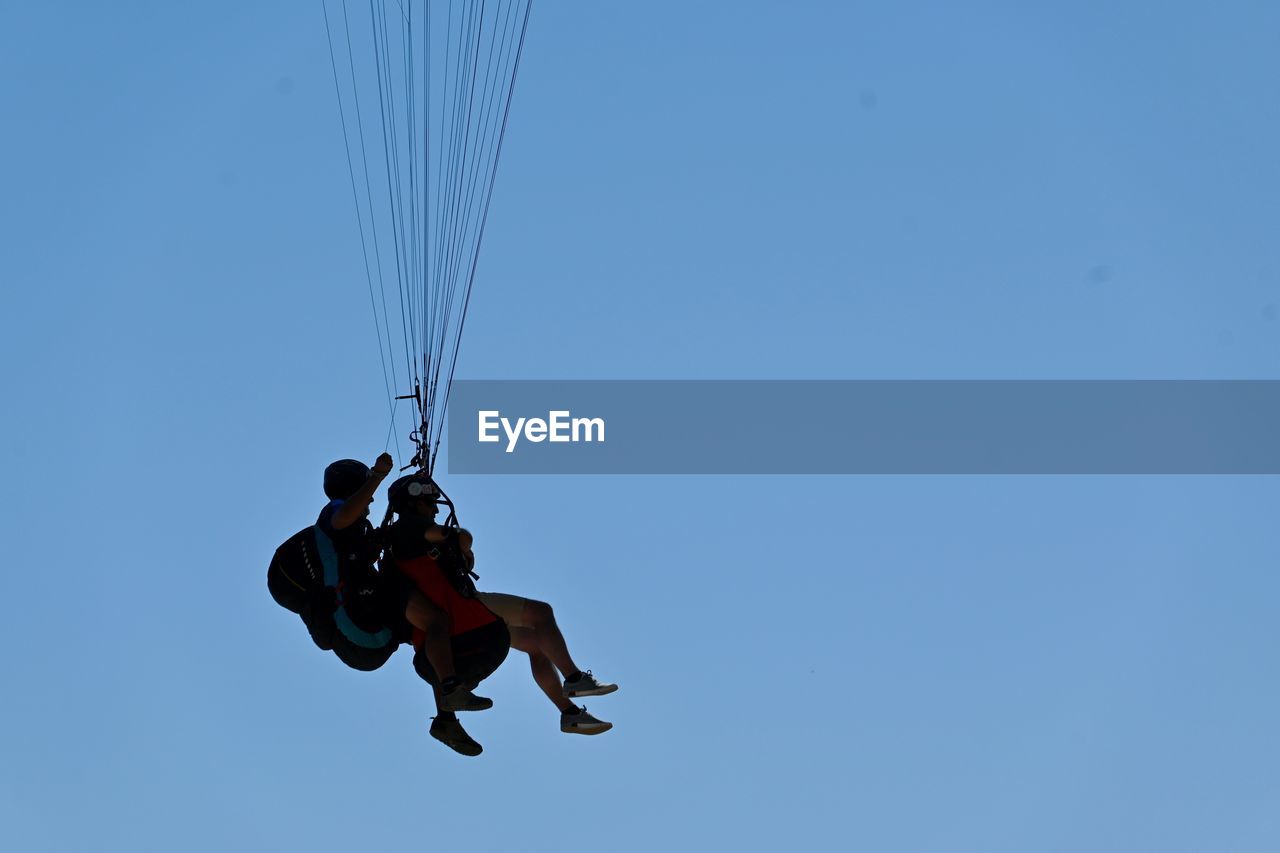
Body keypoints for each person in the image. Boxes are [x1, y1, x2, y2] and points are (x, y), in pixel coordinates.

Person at [384, 473, 618, 755]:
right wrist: (460, 542)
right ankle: (574, 678)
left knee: (536, 644)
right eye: (429, 503)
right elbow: (457, 537)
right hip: (465, 608)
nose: (435, 509)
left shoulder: (400, 538)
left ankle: (569, 714)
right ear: (414, 504)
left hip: (457, 610)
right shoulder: (411, 526)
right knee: (541, 613)